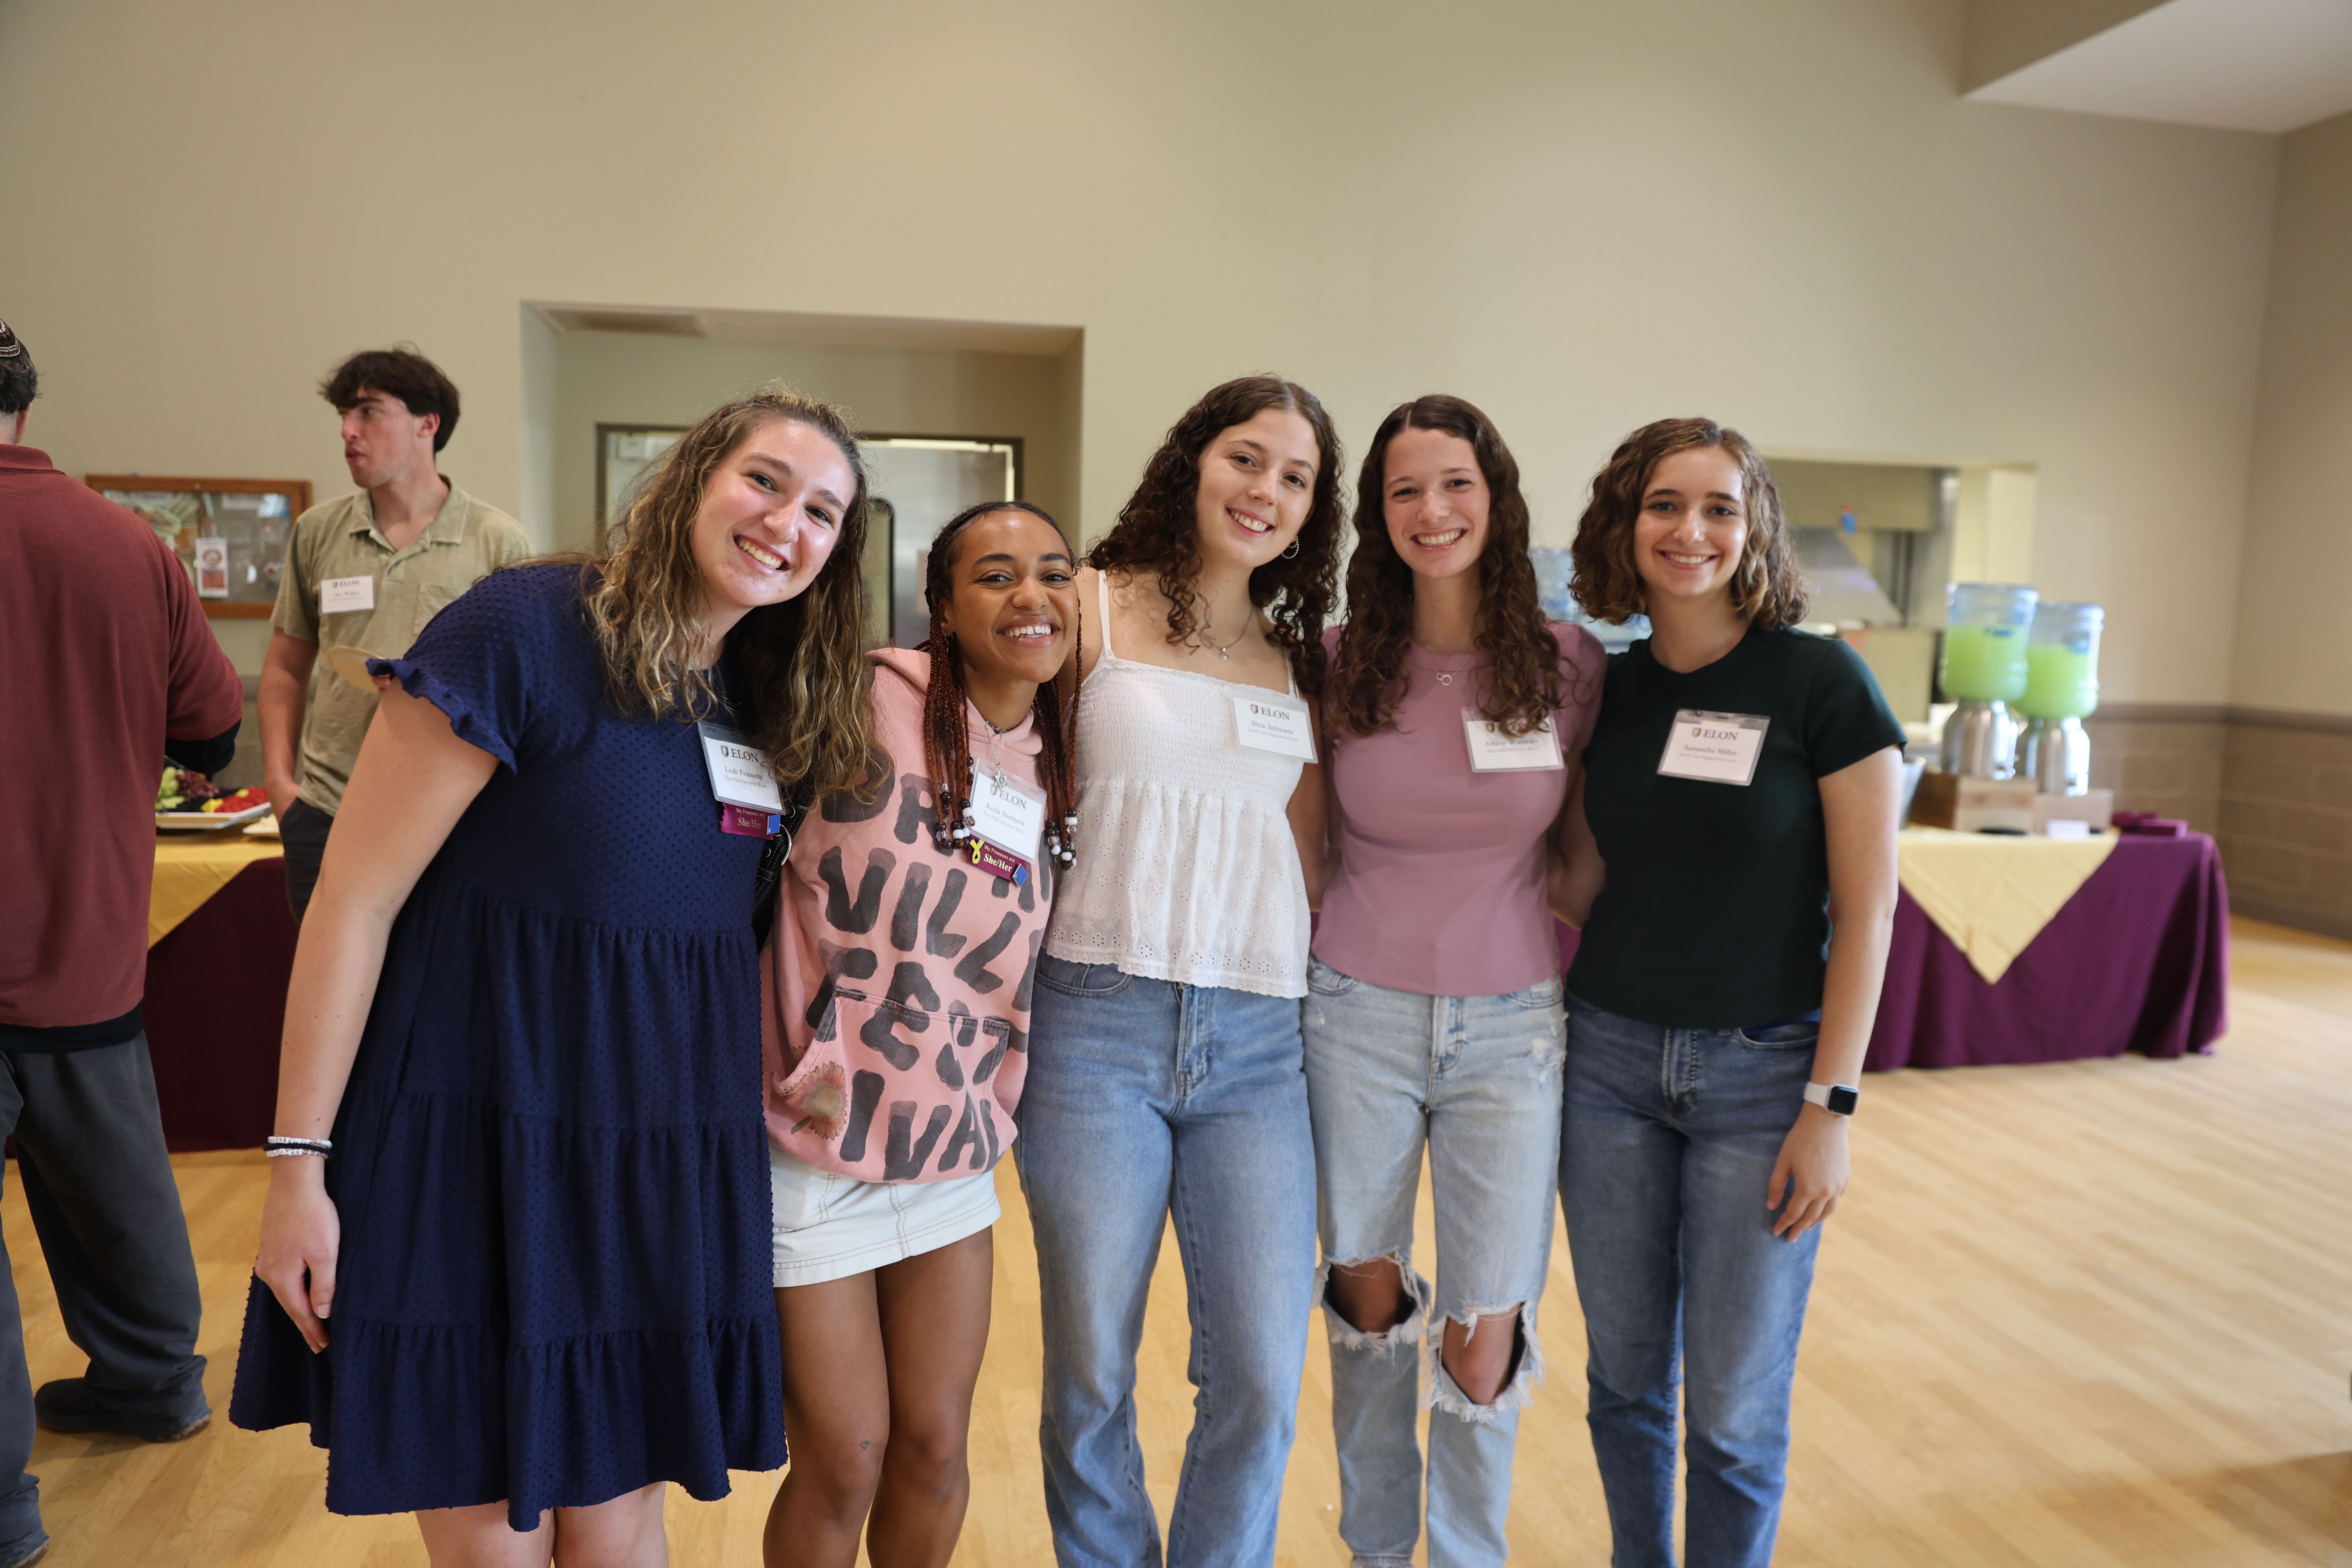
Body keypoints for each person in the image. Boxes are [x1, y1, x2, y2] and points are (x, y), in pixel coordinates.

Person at [230, 387, 878, 1565]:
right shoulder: (525, 626)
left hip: (653, 1161)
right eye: (766, 482)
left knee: (624, 1534)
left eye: (824, 513)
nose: (789, 523)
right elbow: (355, 902)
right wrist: (296, 1164)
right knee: (492, 1542)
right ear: (694, 475)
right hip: (480, 1142)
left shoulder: (755, 694)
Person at [1552, 418, 1904, 1568]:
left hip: (1764, 1080)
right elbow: (1582, 879)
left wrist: (1831, 1107)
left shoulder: (1822, 681)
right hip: (1605, 1066)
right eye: (1664, 504)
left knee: (1737, 1417)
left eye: (1717, 507)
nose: (1689, 530)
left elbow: (1871, 913)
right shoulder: (1608, 688)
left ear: (1751, 529)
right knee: (1625, 1386)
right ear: (1625, 522)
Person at [1017, 375, 1345, 1568]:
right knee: (1093, 1372)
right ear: (1192, 463)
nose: (1266, 492)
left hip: (1260, 1039)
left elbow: (1305, 859)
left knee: (1260, 1376)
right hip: (1094, 1023)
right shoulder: (1088, 610)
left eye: (1296, 478)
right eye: (1247, 459)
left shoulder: (1300, 662)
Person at [1305, 395, 1603, 1568]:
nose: (1433, 511)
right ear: (1379, 516)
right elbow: (1311, 839)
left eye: (1457, 485)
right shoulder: (1337, 664)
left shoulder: (1567, 661)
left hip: (1511, 1030)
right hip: (1354, 1019)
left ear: (1498, 497)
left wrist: (1518, 930)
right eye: (1405, 491)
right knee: (1369, 1306)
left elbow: (1586, 847)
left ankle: (1468, 1552)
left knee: (1486, 1325)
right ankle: (1379, 1549)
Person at [760, 501, 1080, 1568]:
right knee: (846, 1458)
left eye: (1052, 571)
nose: (1029, 595)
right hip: (814, 1136)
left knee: (936, 1447)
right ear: (941, 607)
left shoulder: (1061, 754)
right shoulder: (854, 701)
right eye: (994, 575)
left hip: (950, 1143)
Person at [0, 317, 243, 1568]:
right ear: (26, 413)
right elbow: (212, 732)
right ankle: (154, 1383)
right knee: (117, 1179)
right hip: (86, 935)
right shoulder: (126, 545)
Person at [260, 346, 528, 922]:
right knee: (326, 1003)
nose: (347, 432)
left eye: (368, 412)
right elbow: (284, 668)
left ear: (426, 424)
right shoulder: (317, 531)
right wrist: (282, 788)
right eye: (343, 416)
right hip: (325, 809)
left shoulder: (498, 542)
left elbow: (524, 689)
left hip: (448, 814)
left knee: (430, 1001)